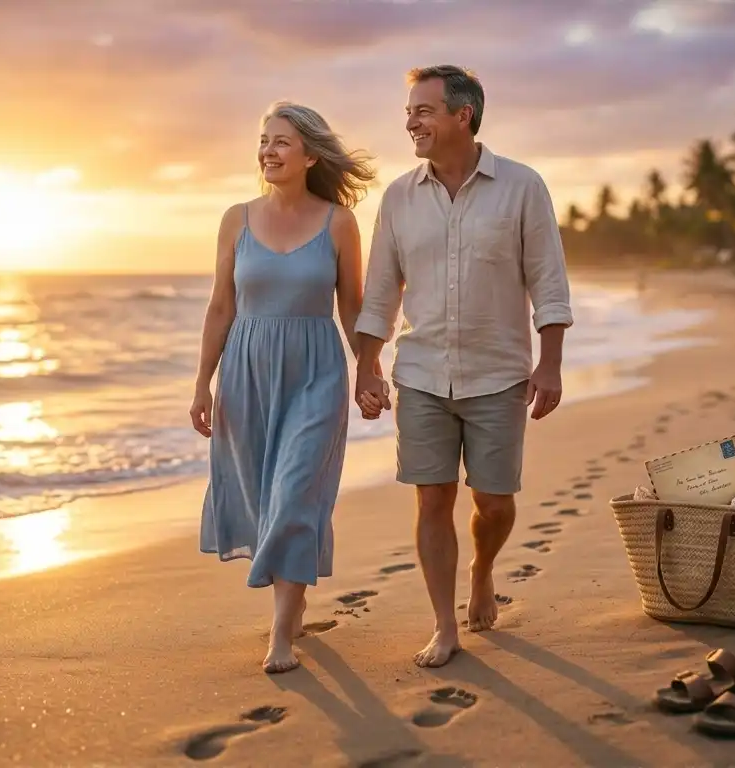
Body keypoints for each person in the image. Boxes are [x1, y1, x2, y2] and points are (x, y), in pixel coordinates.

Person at [352, 65, 573, 668]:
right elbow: (380, 294)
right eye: (408, 112)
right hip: (420, 372)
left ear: (462, 116)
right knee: (431, 500)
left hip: (499, 374)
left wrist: (549, 364)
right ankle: (444, 624)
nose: (410, 122)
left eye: (422, 111)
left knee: (494, 503)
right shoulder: (398, 197)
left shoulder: (523, 187)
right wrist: (367, 366)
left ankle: (483, 570)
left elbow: (548, 282)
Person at [191, 101, 378, 674]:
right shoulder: (235, 218)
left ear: (310, 156)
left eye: (280, 143)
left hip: (316, 370)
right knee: (261, 495)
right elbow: (222, 306)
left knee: (296, 491)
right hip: (246, 372)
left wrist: (368, 370)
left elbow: (353, 308)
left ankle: (279, 634)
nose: (267, 152)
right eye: (264, 141)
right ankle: (291, 603)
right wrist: (202, 382)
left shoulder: (339, 223)